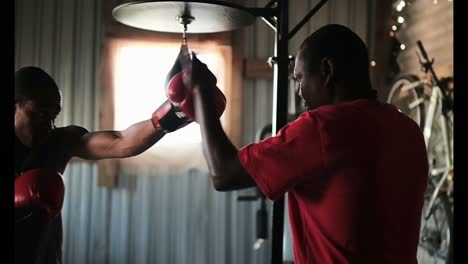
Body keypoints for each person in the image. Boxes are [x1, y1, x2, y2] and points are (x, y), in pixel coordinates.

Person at [187, 24, 429, 263]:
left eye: (300, 78)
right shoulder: (408, 129)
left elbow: (223, 173)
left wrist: (201, 94)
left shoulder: (322, 128)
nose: (300, 91)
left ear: (327, 70)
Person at [13, 62, 205, 264]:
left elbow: (122, 141)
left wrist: (176, 111)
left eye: (53, 117)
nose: (48, 126)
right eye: (40, 114)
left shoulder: (57, 141)